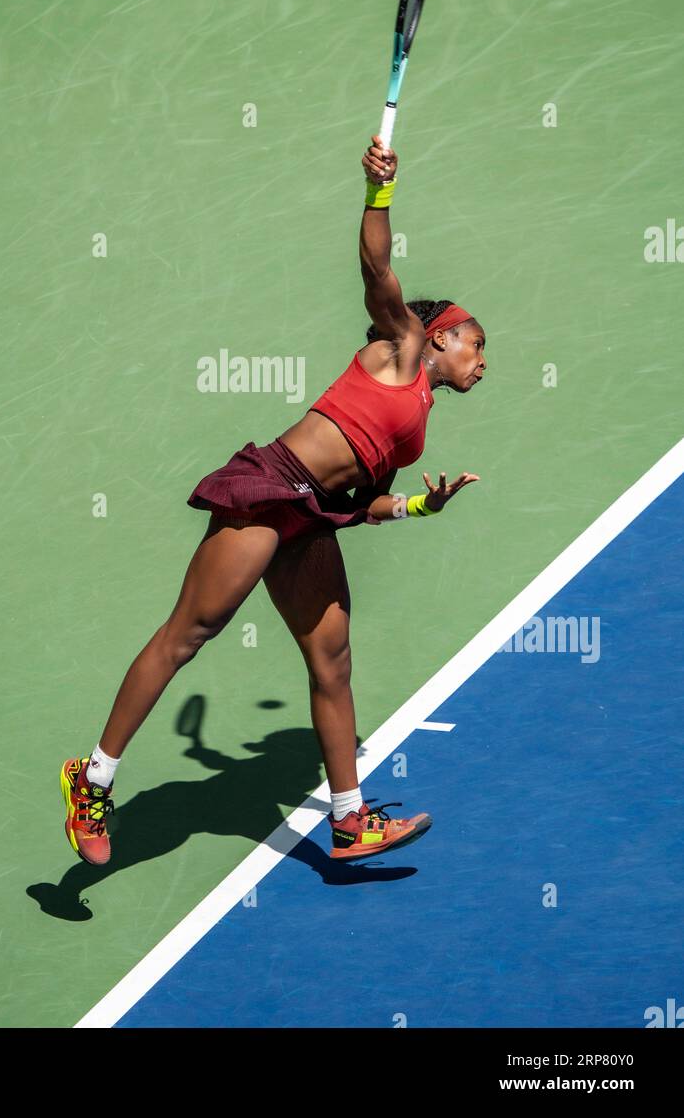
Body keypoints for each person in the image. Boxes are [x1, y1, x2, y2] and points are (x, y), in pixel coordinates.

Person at [61, 135, 486, 865]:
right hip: (271, 491)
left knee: (333, 661)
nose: (484, 362)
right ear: (439, 335)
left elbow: (363, 505)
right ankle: (92, 781)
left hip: (312, 519)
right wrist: (379, 189)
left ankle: (350, 822)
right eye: (477, 344)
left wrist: (419, 508)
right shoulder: (402, 346)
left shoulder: (416, 421)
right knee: (189, 635)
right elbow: (376, 266)